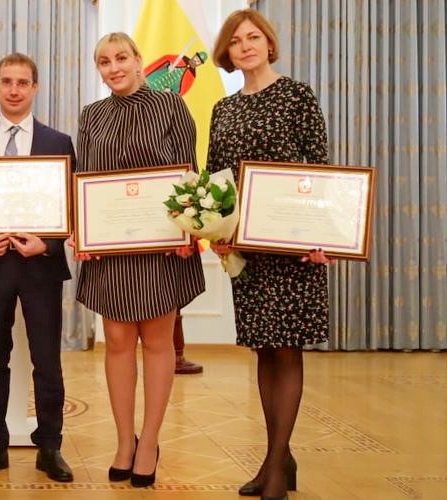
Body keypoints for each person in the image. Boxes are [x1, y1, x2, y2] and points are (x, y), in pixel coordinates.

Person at [207, 9, 330, 500]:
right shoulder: (223, 109)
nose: (246, 46)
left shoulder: (298, 95)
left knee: (287, 348)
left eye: (253, 37)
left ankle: (275, 468)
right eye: (236, 41)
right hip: (247, 252)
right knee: (263, 347)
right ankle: (279, 456)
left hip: (293, 246)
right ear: (228, 53)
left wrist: (323, 237)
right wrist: (215, 230)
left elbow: (320, 170)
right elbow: (217, 180)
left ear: (269, 43)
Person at [74, 32, 205, 488]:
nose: (114, 67)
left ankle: (149, 441)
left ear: (138, 60)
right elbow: (84, 178)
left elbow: (188, 174)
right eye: (104, 61)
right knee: (116, 340)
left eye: (121, 58)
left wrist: (185, 229)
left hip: (160, 246)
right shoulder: (91, 115)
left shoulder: (171, 106)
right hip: (111, 248)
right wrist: (83, 231)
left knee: (157, 341)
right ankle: (123, 442)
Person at [0, 53, 75, 483]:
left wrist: (48, 243)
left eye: (22, 82)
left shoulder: (58, 142)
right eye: (6, 81)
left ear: (35, 87)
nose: (13, 90)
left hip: (41, 266)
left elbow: (70, 206)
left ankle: (50, 447)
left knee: (47, 360)